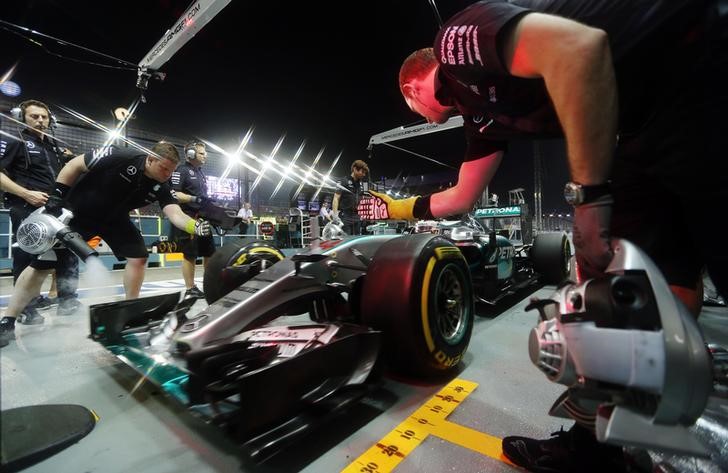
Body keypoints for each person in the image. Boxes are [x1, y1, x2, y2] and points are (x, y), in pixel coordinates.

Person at [361, 1, 727, 471]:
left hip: (695, 66)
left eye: (410, 107)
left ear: (412, 87)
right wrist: (398, 209)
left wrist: (588, 198)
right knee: (647, 279)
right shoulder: (478, 117)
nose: (417, 116)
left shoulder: (453, 43)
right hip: (636, 126)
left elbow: (580, 47)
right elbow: (460, 199)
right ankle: (597, 447)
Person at [0, 142, 212, 347]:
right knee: (42, 265)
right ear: (150, 159)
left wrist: (195, 226)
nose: (167, 175)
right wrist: (57, 194)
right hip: (77, 213)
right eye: (164, 168)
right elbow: (74, 165)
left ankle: (130, 309)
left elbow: (174, 213)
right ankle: (7, 321)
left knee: (139, 257)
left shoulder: (162, 185)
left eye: (170, 170)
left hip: (114, 219)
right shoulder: (120, 155)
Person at [0, 99, 81, 325]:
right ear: (22, 118)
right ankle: (27, 309)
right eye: (34, 116)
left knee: (67, 252)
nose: (40, 120)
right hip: (25, 206)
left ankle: (68, 301)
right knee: (26, 257)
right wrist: (25, 193)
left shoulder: (54, 147)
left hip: (55, 209)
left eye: (44, 117)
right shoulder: (14, 141)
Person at [169, 141, 216, 299]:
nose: (205, 156)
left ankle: (210, 283)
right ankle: (190, 289)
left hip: (204, 219)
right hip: (188, 219)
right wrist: (193, 198)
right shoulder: (181, 171)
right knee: (190, 255)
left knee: (209, 253)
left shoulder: (200, 173)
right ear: (190, 154)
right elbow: (174, 195)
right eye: (202, 153)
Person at [332, 159, 369, 236]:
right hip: (345, 217)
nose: (364, 174)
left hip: (357, 217)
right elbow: (336, 198)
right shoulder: (343, 181)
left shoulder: (362, 184)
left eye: (365, 173)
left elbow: (364, 200)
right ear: (355, 169)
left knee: (357, 242)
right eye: (362, 172)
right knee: (345, 242)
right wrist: (335, 215)